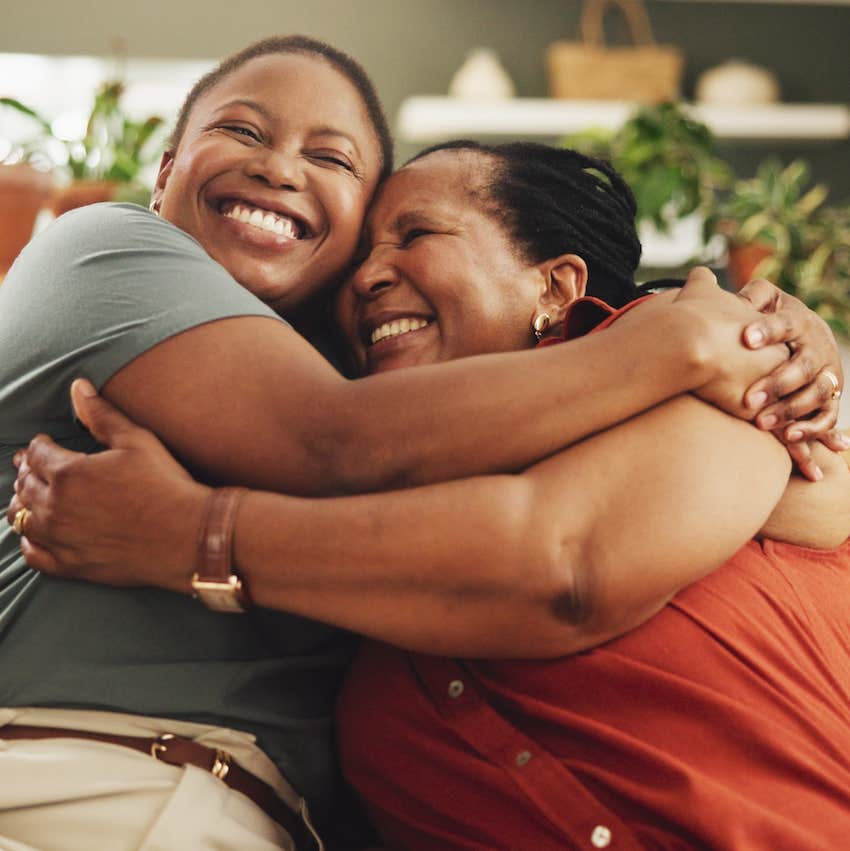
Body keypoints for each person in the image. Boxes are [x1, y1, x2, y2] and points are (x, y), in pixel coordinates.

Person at [3, 33, 835, 851]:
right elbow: (332, 437)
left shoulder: (687, 375)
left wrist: (189, 535)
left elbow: (567, 561)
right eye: (242, 130)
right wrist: (695, 341)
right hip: (61, 781)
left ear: (558, 285)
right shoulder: (114, 252)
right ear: (164, 172)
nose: (281, 168)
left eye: (410, 233)